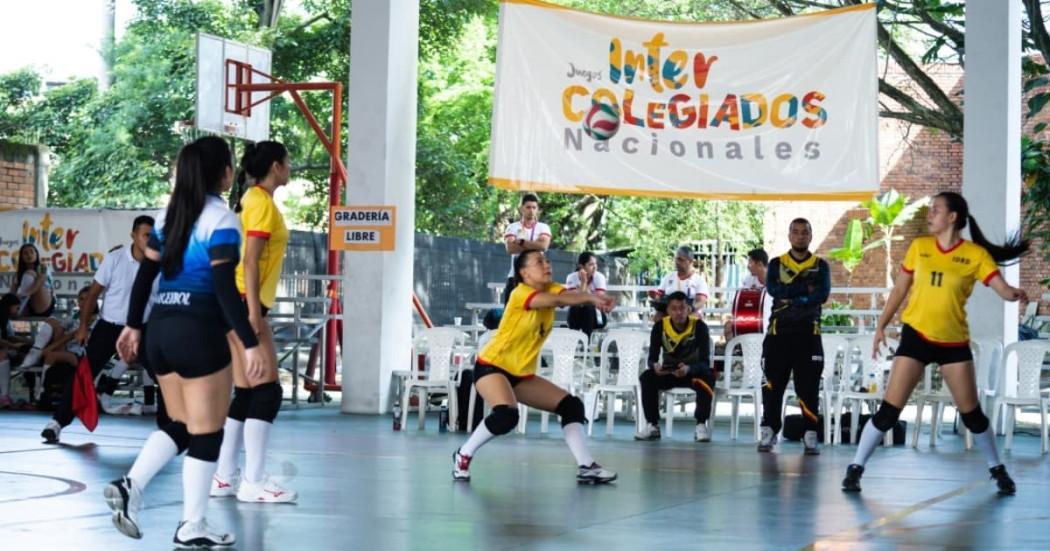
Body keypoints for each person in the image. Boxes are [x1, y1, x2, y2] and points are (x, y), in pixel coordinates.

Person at [105, 136, 268, 547]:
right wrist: (249, 343)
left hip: (160, 330)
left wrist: (132, 326)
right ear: (225, 173)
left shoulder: (167, 216)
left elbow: (146, 276)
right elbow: (223, 289)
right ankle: (192, 524)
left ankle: (132, 485)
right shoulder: (223, 219)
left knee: (181, 424)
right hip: (199, 332)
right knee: (207, 432)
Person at [841, 192, 1028, 495]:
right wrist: (880, 325)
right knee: (889, 412)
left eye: (936, 210)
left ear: (952, 217)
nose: (930, 215)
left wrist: (1014, 294)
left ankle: (997, 469)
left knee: (972, 415)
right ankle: (855, 468)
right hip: (916, 336)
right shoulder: (920, 247)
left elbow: (1001, 288)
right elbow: (901, 288)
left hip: (953, 342)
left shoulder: (974, 255)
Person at [453, 250, 617, 484]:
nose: (547, 265)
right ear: (524, 272)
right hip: (492, 366)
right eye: (539, 262)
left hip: (520, 374)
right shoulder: (521, 293)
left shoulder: (552, 287)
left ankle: (586, 466)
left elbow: (569, 296)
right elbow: (562, 301)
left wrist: (594, 297)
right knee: (506, 415)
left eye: (547, 260)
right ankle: (463, 455)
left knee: (571, 406)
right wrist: (593, 298)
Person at [211, 141, 296, 503]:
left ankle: (224, 476)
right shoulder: (260, 202)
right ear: (276, 166)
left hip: (238, 301)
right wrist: (251, 316)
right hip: (246, 302)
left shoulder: (254, 199)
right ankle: (253, 482)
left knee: (247, 391)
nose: (291, 168)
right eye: (288, 162)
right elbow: (249, 261)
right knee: (267, 390)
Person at [40, 216, 163, 443]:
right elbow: (93, 294)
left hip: (142, 328)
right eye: (146, 235)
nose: (150, 239)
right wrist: (83, 327)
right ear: (133, 236)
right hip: (110, 326)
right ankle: (57, 422)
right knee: (83, 374)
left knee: (162, 374)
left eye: (153, 236)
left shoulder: (159, 262)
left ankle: (170, 427)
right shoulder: (115, 258)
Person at [757, 219, 830, 455]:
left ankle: (810, 434)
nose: (800, 236)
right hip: (779, 334)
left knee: (808, 387)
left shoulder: (821, 266)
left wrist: (795, 297)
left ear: (810, 236)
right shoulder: (777, 264)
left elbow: (822, 295)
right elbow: (774, 290)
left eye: (804, 233)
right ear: (789, 236)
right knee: (772, 386)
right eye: (796, 232)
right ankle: (769, 430)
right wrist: (804, 290)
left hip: (809, 334)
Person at [635, 291, 715, 442]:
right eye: (674, 308)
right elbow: (651, 359)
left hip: (692, 373)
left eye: (682, 308)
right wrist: (655, 367)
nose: (679, 312)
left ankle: (700, 424)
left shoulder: (699, 327)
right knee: (647, 377)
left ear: (689, 309)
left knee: (709, 376)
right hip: (669, 373)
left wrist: (689, 369)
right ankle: (652, 425)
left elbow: (705, 362)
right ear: (668, 311)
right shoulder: (660, 327)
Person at [501, 193, 551, 304]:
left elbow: (543, 246)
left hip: (536, 278)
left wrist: (522, 242)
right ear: (521, 208)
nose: (531, 210)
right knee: (511, 316)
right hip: (515, 277)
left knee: (534, 317)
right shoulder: (512, 227)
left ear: (537, 209)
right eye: (528, 207)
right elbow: (510, 248)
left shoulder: (543, 227)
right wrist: (534, 245)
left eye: (534, 207)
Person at [650, 246, 709, 321]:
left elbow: (701, 301)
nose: (677, 262)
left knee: (695, 318)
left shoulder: (698, 280)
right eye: (676, 259)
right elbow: (659, 296)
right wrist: (655, 298)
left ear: (690, 261)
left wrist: (691, 308)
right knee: (658, 316)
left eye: (680, 260)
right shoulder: (668, 277)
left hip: (689, 312)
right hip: (669, 312)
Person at [723, 248, 770, 342]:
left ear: (760, 264)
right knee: (728, 327)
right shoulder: (749, 279)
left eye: (750, 263)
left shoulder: (776, 279)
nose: (748, 266)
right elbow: (742, 300)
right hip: (752, 318)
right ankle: (737, 353)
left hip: (769, 319)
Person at [565, 251, 608, 337]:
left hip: (597, 318)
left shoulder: (599, 277)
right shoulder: (571, 277)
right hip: (576, 316)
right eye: (591, 264)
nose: (595, 267)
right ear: (581, 266)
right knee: (575, 305)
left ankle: (586, 343)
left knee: (588, 307)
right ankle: (573, 341)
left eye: (595, 264)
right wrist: (584, 282)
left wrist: (583, 291)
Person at [10, 243, 55, 317]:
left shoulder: (43, 267)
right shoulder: (18, 274)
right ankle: (19, 308)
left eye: (31, 252)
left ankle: (20, 307)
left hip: (46, 305)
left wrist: (24, 294)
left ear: (36, 254)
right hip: (30, 306)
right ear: (21, 257)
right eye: (25, 253)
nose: (29, 255)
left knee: (30, 274)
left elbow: (41, 279)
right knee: (26, 274)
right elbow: (12, 291)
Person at [0, 293, 26, 407]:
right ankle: (4, 396)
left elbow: (11, 336)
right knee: (2, 355)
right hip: (3, 350)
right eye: (17, 308)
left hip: (4, 348)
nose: (17, 311)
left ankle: (4, 395)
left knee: (3, 355)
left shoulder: (7, 320)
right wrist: (13, 346)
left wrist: (28, 341)